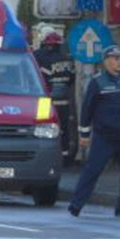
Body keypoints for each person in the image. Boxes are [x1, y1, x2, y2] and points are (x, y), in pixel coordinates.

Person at [68, 45, 120, 218]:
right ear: (106, 61)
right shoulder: (98, 82)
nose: (119, 62)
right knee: (93, 171)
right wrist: (84, 134)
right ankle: (76, 205)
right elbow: (87, 109)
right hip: (105, 137)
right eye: (115, 59)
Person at [33, 30, 77, 162]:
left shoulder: (42, 59)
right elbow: (71, 80)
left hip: (44, 101)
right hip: (64, 101)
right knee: (64, 129)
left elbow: (40, 80)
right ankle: (64, 156)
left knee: (42, 128)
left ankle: (44, 157)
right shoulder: (68, 60)